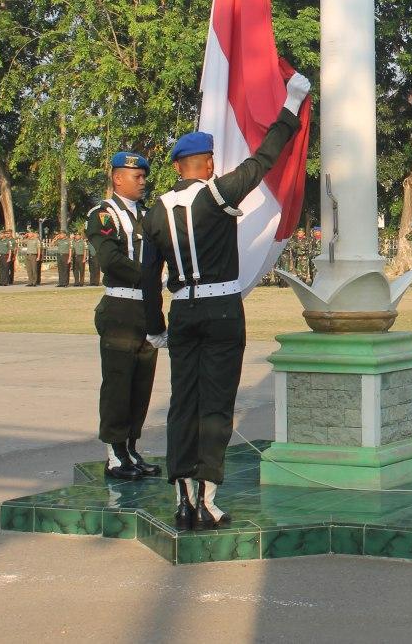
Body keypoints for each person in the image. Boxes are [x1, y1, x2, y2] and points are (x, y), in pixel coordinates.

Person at [141, 70, 309, 531]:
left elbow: (146, 277)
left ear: (178, 167)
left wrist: (156, 327)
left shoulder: (155, 211)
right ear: (209, 164)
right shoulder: (218, 194)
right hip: (221, 309)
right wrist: (291, 107)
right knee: (215, 405)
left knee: (182, 404)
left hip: (182, 311)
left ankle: (181, 497)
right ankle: (207, 500)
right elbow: (264, 160)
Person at [87, 151, 162, 481]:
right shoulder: (104, 215)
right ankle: (114, 452)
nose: (143, 181)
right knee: (118, 383)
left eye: (144, 175)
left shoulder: (147, 214)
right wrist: (147, 276)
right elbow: (111, 259)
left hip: (146, 307)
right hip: (120, 308)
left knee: (141, 384)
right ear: (118, 178)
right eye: (137, 176)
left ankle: (131, 447)